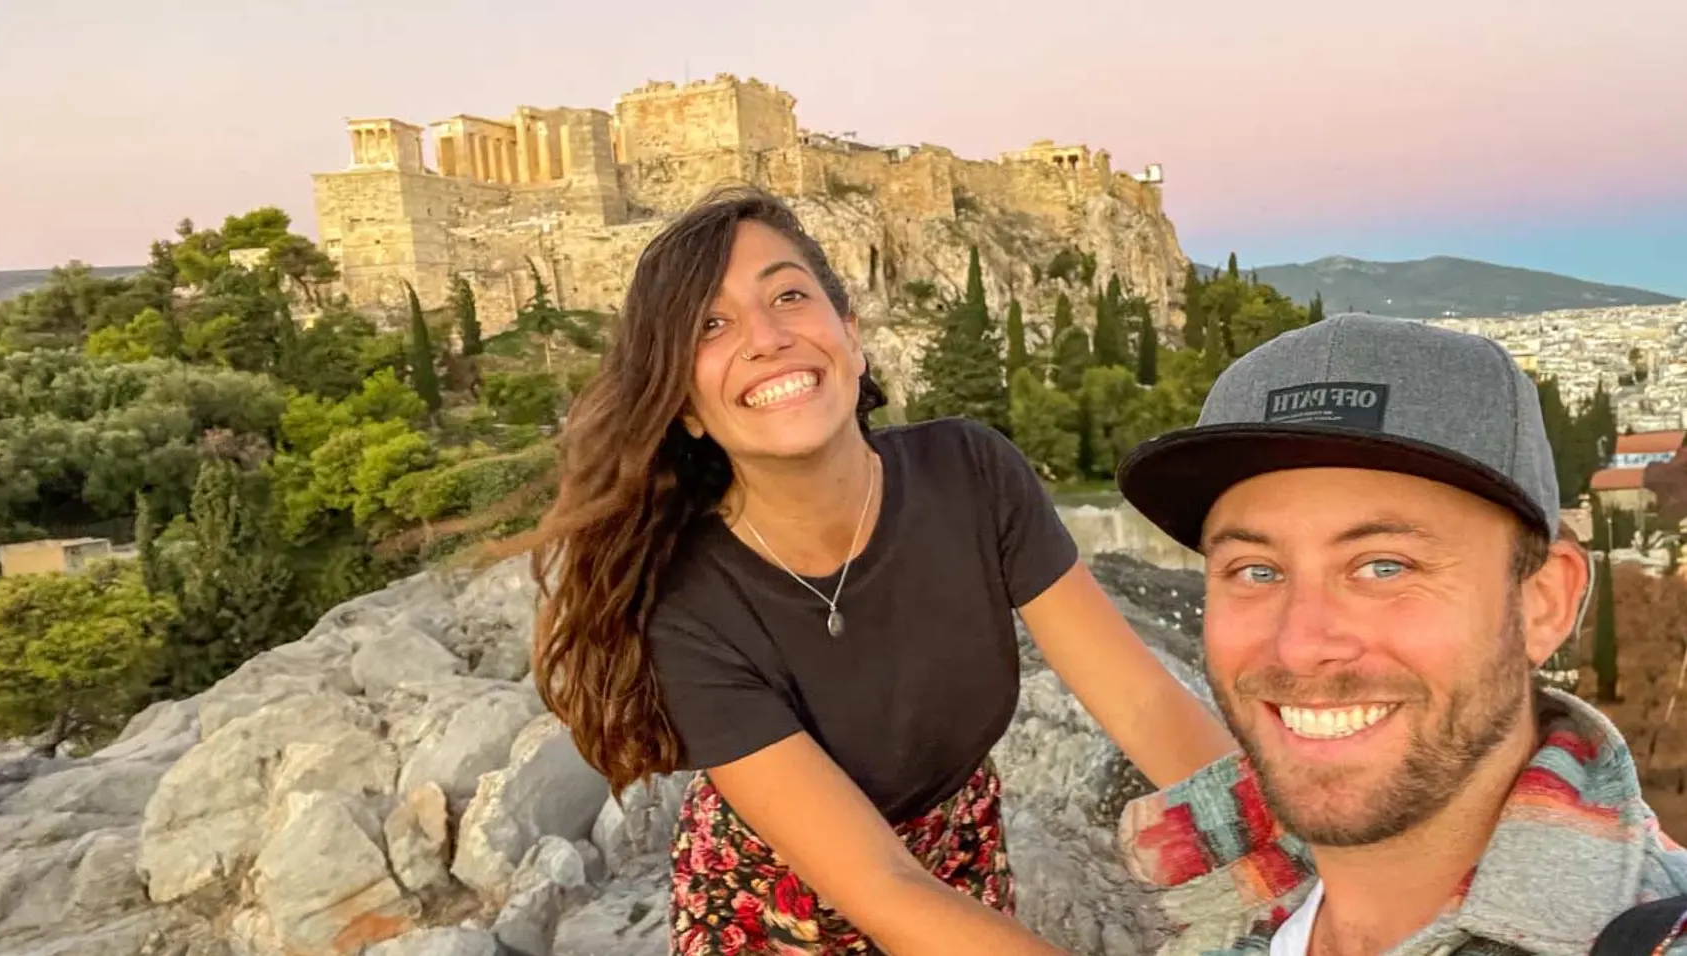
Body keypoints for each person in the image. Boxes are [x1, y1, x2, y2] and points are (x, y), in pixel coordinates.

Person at [519, 184, 1234, 955]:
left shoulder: (972, 471)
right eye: (712, 326)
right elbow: (881, 884)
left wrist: (1291, 854)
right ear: (687, 407)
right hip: (770, 911)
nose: (765, 338)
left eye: (789, 295)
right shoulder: (688, 604)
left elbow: (1140, 701)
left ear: (851, 338)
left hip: (957, 859)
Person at [1111, 313, 1687, 955]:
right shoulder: (1224, 898)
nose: (1301, 644)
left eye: (1385, 566)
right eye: (1256, 570)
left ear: (1544, 603)